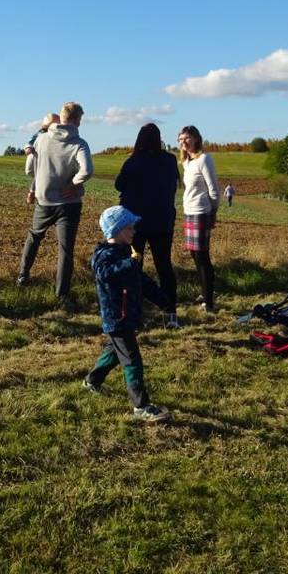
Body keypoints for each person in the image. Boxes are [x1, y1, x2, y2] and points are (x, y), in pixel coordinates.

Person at [84, 206, 170, 422]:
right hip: (116, 316)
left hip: (127, 316)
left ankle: (91, 381)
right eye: (130, 227)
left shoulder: (126, 254)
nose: (134, 231)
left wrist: (163, 300)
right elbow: (104, 274)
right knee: (132, 360)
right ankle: (140, 405)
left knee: (114, 352)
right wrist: (129, 264)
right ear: (117, 230)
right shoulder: (103, 255)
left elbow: (141, 281)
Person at [16, 102, 93, 304]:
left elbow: (30, 169)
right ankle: (62, 295)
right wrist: (74, 184)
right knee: (65, 250)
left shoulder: (41, 139)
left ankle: (23, 275)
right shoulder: (79, 144)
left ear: (62, 117)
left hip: (45, 200)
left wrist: (38, 184)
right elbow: (87, 170)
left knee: (34, 236)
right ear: (77, 120)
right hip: (70, 204)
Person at [114, 123, 180, 327]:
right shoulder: (170, 160)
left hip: (135, 225)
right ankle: (170, 314)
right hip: (163, 222)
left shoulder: (133, 161)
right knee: (164, 267)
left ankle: (134, 314)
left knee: (133, 267)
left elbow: (118, 185)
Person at [179, 125, 220, 312]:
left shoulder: (204, 159)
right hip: (189, 211)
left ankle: (209, 302)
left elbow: (213, 190)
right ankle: (206, 292)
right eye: (180, 139)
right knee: (195, 254)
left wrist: (213, 212)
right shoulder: (187, 162)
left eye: (187, 138)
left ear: (196, 138)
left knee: (202, 256)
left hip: (201, 211)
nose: (183, 142)